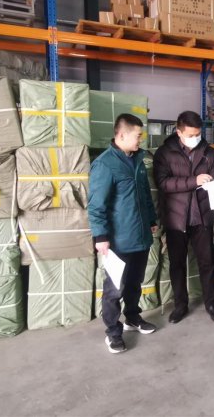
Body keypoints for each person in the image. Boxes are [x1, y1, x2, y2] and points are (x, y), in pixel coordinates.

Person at [88, 113, 159, 354]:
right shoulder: (105, 164)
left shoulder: (138, 159)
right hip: (118, 239)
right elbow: (96, 205)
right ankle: (113, 332)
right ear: (121, 135)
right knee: (114, 289)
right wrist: (101, 236)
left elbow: (145, 194)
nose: (141, 139)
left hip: (140, 235)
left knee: (134, 282)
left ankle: (132, 317)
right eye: (137, 135)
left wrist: (151, 219)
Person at [153, 111, 214, 324]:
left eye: (198, 134)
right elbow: (163, 183)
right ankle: (180, 305)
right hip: (176, 217)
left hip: (202, 216)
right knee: (177, 264)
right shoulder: (165, 153)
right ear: (179, 132)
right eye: (191, 135)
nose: (196, 138)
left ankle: (211, 304)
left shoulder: (209, 153)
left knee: (207, 262)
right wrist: (194, 181)